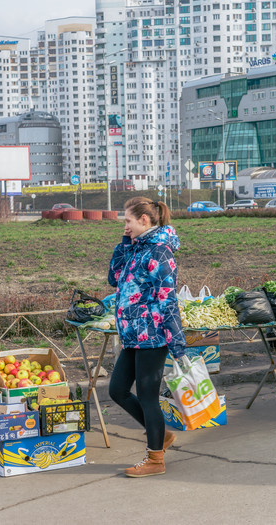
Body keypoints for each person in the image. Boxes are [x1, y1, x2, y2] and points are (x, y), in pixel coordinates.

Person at [107, 196, 186, 477]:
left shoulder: (160, 252)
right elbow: (114, 278)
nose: (125, 225)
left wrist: (177, 344)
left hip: (153, 336)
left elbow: (168, 300)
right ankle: (160, 435)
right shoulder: (137, 248)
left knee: (147, 396)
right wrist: (125, 242)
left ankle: (155, 459)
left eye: (127, 221)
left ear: (144, 220)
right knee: (116, 390)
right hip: (133, 334)